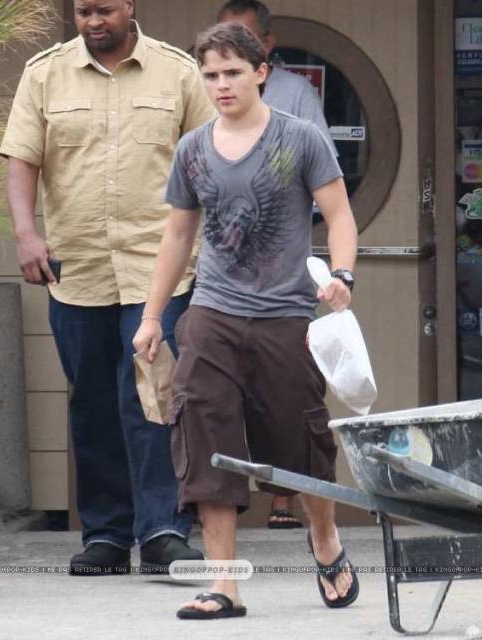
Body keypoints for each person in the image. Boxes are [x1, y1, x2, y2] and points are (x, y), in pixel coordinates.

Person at [133, 22, 359, 619]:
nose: (221, 85)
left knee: (300, 440)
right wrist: (153, 316)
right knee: (204, 435)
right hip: (212, 310)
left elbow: (339, 215)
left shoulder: (301, 138)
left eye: (232, 72)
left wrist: (342, 274)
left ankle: (325, 539)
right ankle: (224, 584)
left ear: (261, 72)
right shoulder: (193, 149)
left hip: (285, 313)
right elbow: (177, 234)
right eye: (210, 75)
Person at [0, 0, 214, 576]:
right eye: (83, 11)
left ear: (130, 7)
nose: (93, 21)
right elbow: (22, 160)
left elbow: (209, 160)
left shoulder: (178, 72)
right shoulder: (44, 73)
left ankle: (164, 530)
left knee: (153, 395)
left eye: (105, 10)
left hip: (159, 268)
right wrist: (26, 235)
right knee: (92, 402)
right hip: (78, 269)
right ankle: (107, 536)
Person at [217, 0, 336, 529]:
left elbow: (323, 182)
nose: (228, 55)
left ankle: (287, 498)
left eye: (243, 38)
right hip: (218, 272)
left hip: (281, 271)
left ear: (266, 47)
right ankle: (215, 509)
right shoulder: (206, 93)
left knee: (285, 394)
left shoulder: (296, 95)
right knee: (215, 393)